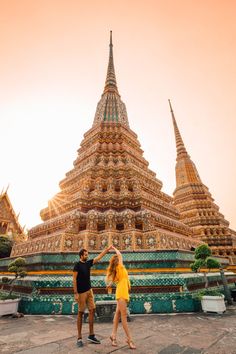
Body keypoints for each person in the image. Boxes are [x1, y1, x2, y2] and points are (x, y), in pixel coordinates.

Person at [73, 245, 112, 347]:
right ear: (81, 256)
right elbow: (74, 280)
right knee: (80, 313)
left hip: (89, 291)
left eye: (87, 254)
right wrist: (76, 293)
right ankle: (79, 337)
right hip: (81, 292)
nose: (87, 256)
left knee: (92, 310)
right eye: (85, 255)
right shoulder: (77, 265)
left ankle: (91, 334)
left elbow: (99, 257)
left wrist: (107, 250)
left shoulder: (88, 263)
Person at [106, 245, 136, 349]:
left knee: (118, 314)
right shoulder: (120, 267)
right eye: (119, 259)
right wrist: (113, 248)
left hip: (122, 292)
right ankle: (129, 339)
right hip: (122, 294)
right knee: (123, 317)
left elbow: (114, 282)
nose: (120, 259)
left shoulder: (117, 270)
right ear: (118, 261)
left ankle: (113, 335)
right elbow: (120, 254)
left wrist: (110, 285)